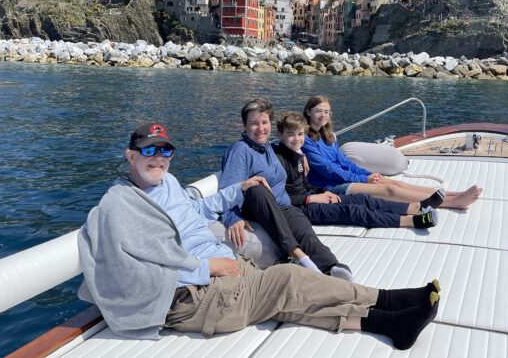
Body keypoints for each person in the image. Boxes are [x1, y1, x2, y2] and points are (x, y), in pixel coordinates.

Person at [77, 122, 441, 350]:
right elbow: (130, 270)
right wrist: (208, 268)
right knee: (288, 279)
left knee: (288, 300)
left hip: (222, 270)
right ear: (130, 156)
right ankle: (390, 299)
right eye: (149, 151)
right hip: (191, 299)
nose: (158, 158)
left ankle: (388, 323)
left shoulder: (168, 183)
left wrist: (240, 190)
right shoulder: (119, 205)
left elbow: (199, 211)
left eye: (165, 151)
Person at [219, 98, 353, 281]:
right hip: (257, 206)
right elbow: (227, 188)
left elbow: (284, 145)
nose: (260, 128)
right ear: (244, 125)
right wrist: (232, 217)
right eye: (254, 123)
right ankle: (298, 256)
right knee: (257, 187)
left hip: (283, 205)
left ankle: (332, 268)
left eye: (264, 122)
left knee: (306, 233)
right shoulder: (240, 150)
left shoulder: (266, 147)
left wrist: (300, 155)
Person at [302, 95, 483, 209]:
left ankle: (451, 194)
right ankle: (451, 203)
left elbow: (345, 163)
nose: (323, 115)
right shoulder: (306, 140)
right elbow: (328, 170)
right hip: (329, 186)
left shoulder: (328, 137)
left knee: (390, 181)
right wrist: (365, 180)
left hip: (342, 178)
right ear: (309, 112)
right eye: (319, 111)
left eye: (327, 112)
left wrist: (370, 174)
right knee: (389, 189)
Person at [274, 112, 438, 229]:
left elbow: (304, 185)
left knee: (363, 200)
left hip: (313, 196)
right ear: (280, 135)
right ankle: (412, 221)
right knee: (354, 211)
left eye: (300, 134)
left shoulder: (298, 155)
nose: (297, 139)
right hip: (301, 208)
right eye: (291, 134)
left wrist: (322, 193)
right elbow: (279, 197)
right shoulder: (278, 160)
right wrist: (311, 199)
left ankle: (415, 208)